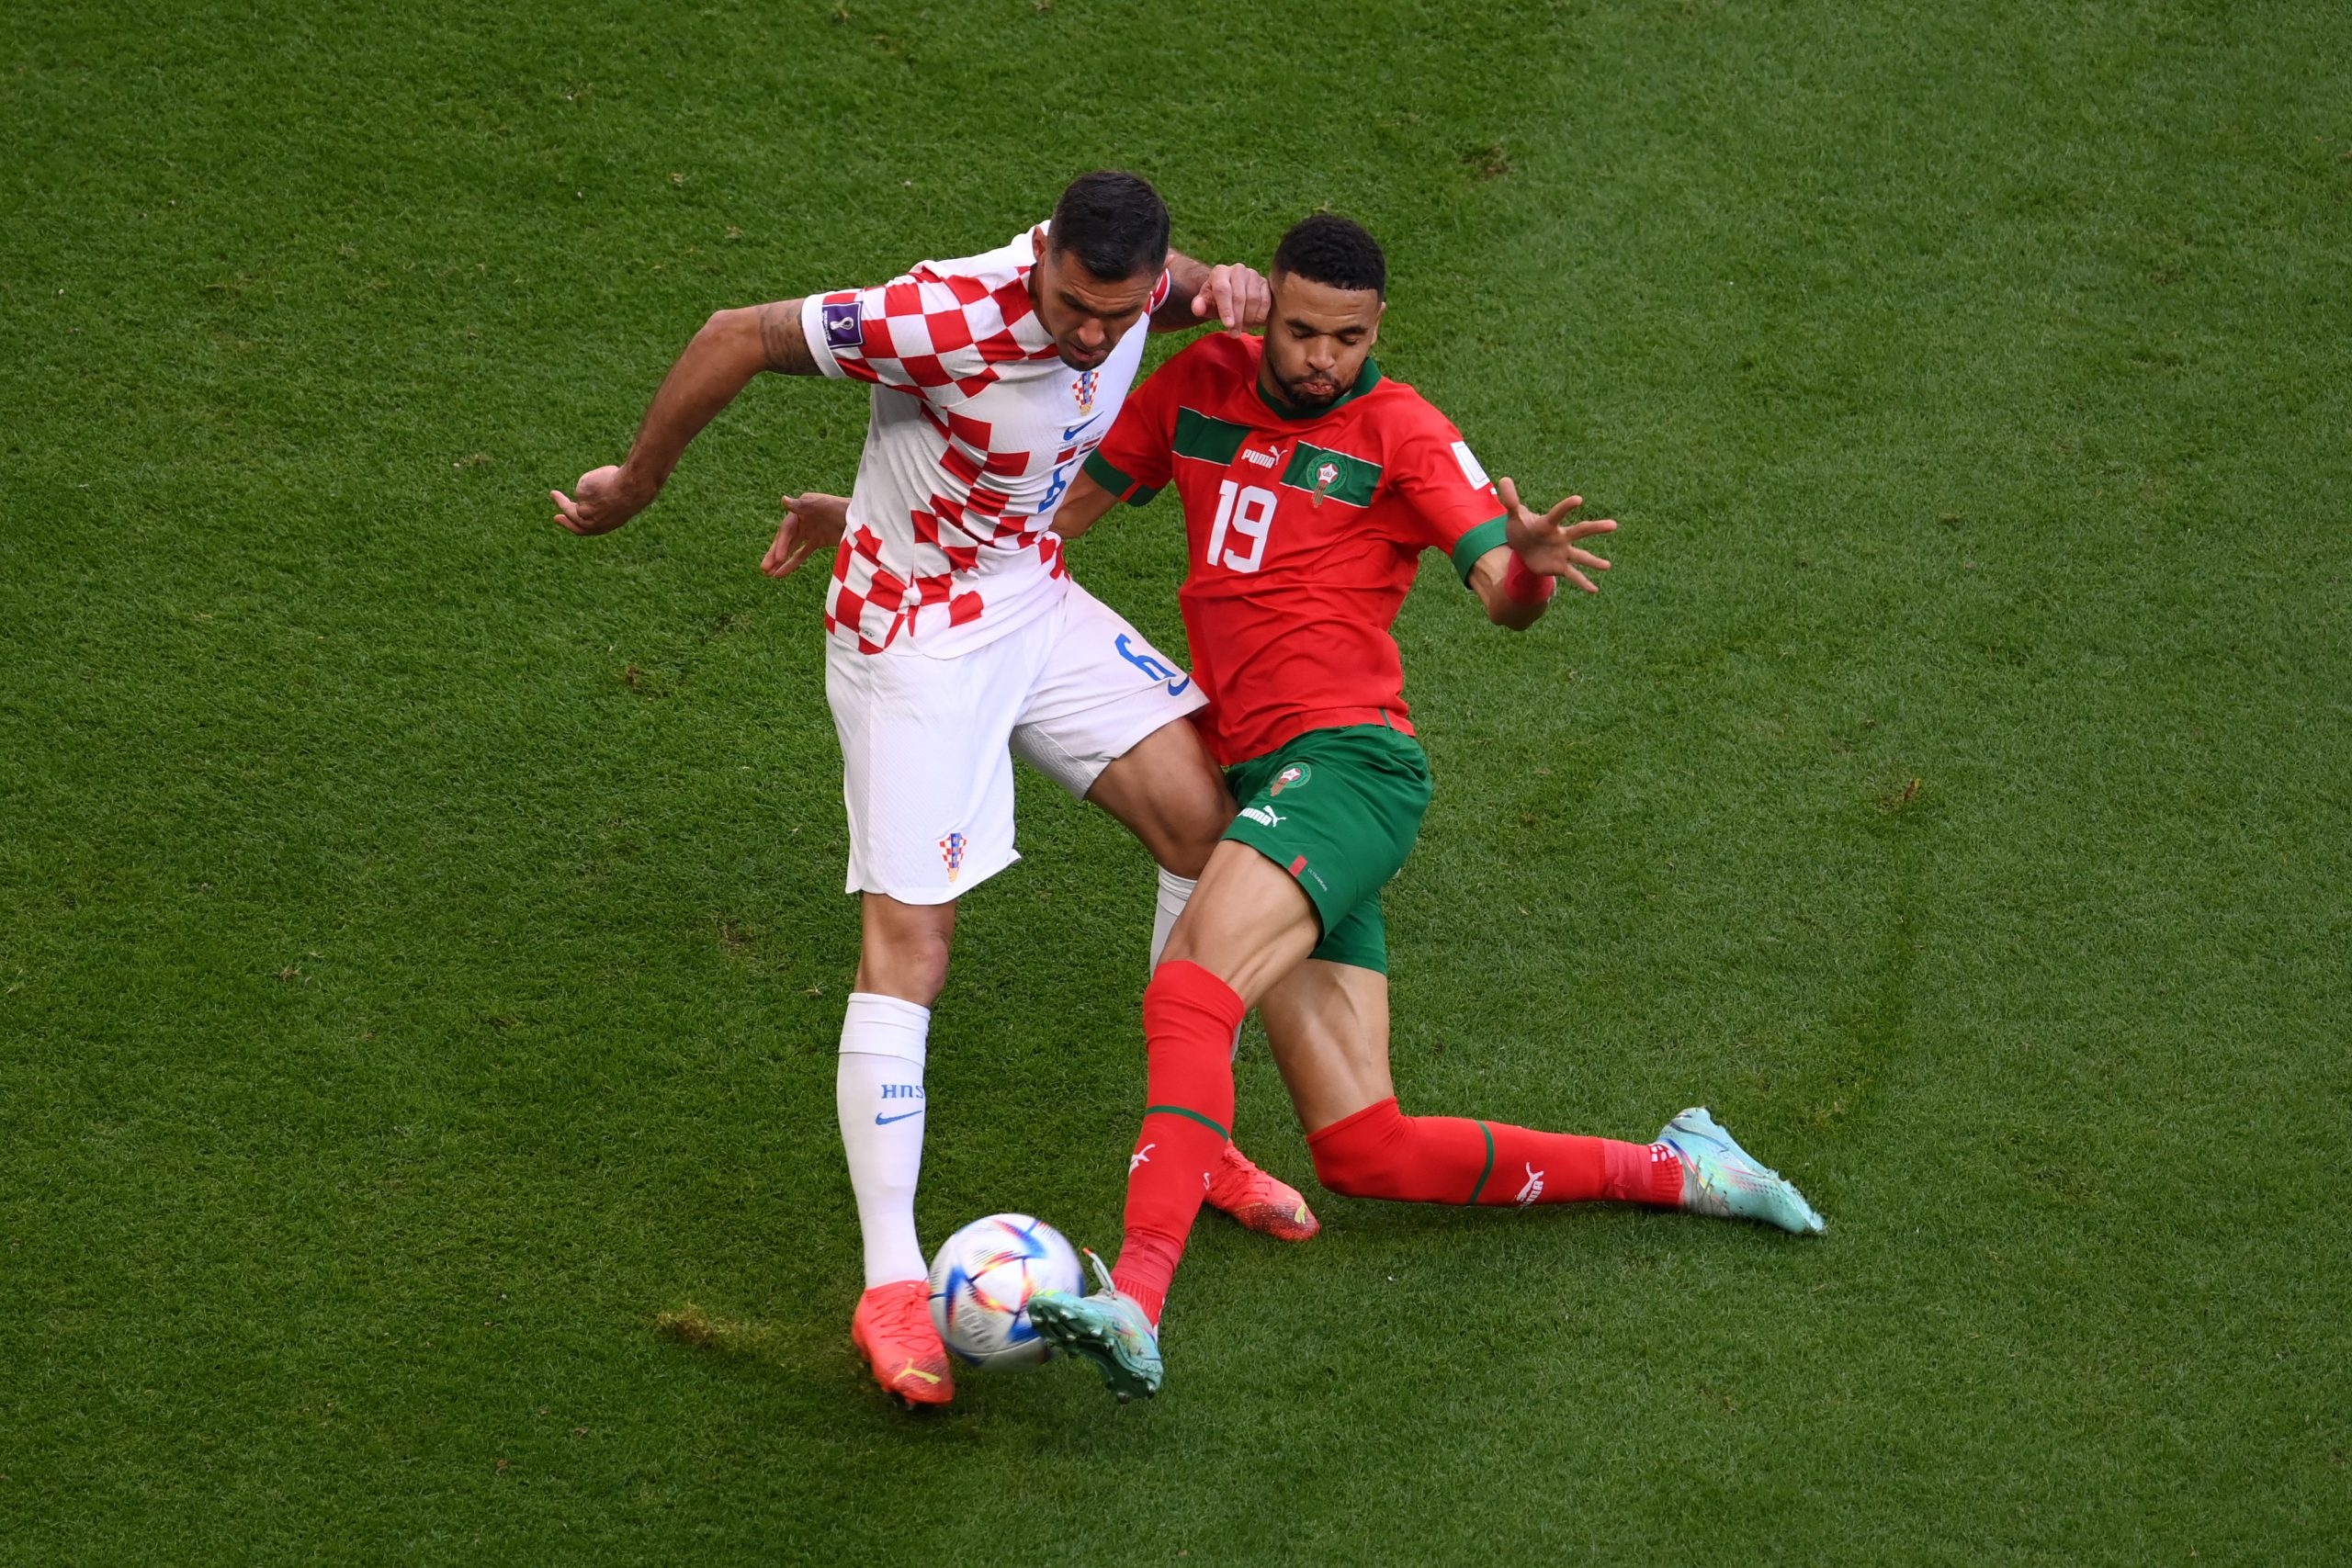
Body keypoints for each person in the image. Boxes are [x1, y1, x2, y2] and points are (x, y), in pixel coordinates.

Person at [1020, 214, 1827, 1404]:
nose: (1321, 360)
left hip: (1349, 774)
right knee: (1363, 1147)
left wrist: (1531, 573)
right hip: (1269, 786)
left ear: (1377, 330)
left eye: (1348, 339)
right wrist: (909, 538)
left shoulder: (1406, 433)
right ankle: (1679, 1167)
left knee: (1191, 986)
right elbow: (1056, 521)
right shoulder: (1196, 382)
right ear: (1263, 313)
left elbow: (1499, 587)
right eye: (1301, 331)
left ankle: (1135, 1298)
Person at [550, 172, 1317, 1410]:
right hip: (909, 637)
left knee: (1207, 832)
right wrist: (638, 483)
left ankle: (1196, 1139)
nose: (1087, 333)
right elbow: (734, 335)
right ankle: (893, 1282)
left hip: (1027, 595)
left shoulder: (1149, 295)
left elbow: (1180, 306)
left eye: (1114, 314)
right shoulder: (941, 313)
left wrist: (1224, 293)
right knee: (913, 942)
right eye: (1071, 303)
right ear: (1045, 258)